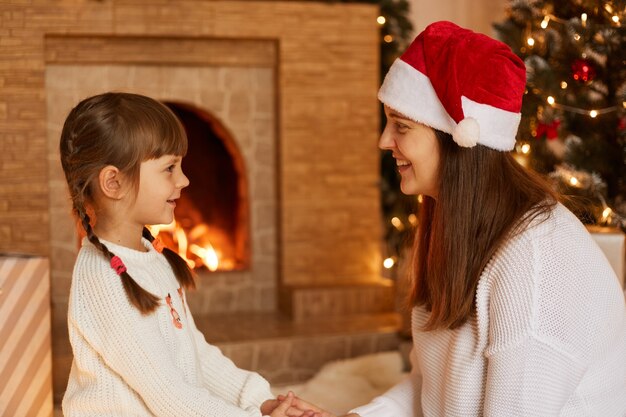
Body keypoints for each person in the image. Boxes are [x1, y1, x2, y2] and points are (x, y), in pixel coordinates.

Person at [288, 21, 626, 416]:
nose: (384, 141)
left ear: (458, 140)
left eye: (402, 126)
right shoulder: (455, 222)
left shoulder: (532, 262)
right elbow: (430, 384)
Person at [59, 92, 300, 416]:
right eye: (169, 168)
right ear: (113, 182)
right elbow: (169, 396)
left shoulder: (152, 257)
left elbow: (197, 355)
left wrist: (259, 401)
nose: (184, 180)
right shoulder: (101, 279)